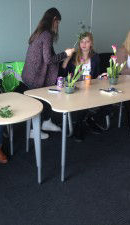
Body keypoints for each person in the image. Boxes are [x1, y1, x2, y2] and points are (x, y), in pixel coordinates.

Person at [22, 7, 75, 139]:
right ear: (54, 19)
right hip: (36, 77)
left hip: (31, 74)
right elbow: (48, 59)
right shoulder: (46, 35)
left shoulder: (39, 33)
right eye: (58, 23)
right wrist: (66, 54)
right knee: (39, 102)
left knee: (46, 98)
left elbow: (46, 57)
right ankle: (34, 131)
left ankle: (46, 122)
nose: (58, 26)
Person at [59, 32, 105, 142]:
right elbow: (63, 73)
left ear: (91, 43)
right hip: (76, 89)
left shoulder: (95, 57)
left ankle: (89, 118)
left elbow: (97, 75)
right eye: (82, 41)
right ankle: (79, 125)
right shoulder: (74, 56)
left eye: (87, 41)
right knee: (83, 101)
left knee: (109, 102)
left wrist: (102, 77)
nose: (84, 44)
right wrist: (67, 58)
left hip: (91, 88)